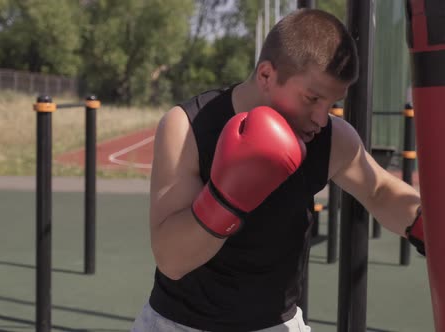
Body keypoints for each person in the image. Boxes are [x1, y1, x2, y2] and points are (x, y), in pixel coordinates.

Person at [131, 8, 425, 332]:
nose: (320, 118)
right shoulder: (188, 126)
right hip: (177, 324)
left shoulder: (331, 138)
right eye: (312, 98)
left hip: (276, 324)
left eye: (331, 103)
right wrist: (226, 199)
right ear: (267, 75)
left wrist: (430, 228)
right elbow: (171, 260)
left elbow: (379, 190)